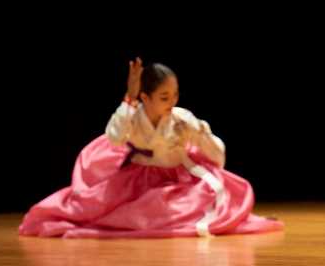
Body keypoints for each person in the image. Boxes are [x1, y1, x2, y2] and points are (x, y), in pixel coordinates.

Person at [19, 58, 283, 238]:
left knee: (209, 199)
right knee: (119, 215)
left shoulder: (181, 118)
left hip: (177, 178)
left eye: (175, 94)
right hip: (141, 180)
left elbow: (215, 154)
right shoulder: (133, 117)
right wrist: (129, 99)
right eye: (164, 97)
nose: (172, 101)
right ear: (144, 97)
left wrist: (201, 133)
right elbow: (114, 137)